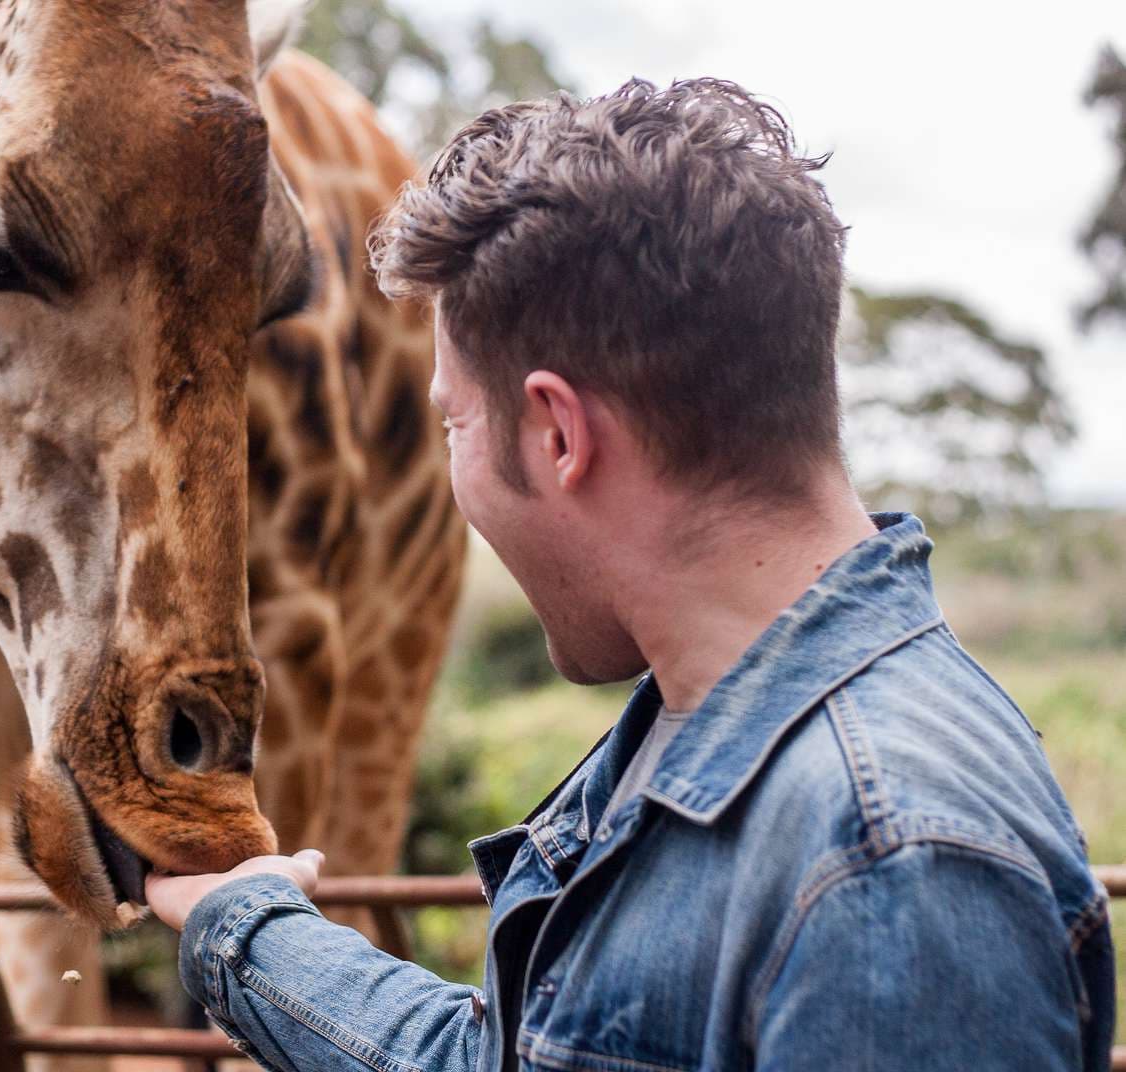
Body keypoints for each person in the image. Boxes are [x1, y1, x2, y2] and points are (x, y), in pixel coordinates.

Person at [145, 78, 1116, 1071]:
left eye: (456, 423)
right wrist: (246, 925)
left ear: (559, 431)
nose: (453, 468)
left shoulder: (890, 867)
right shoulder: (720, 721)